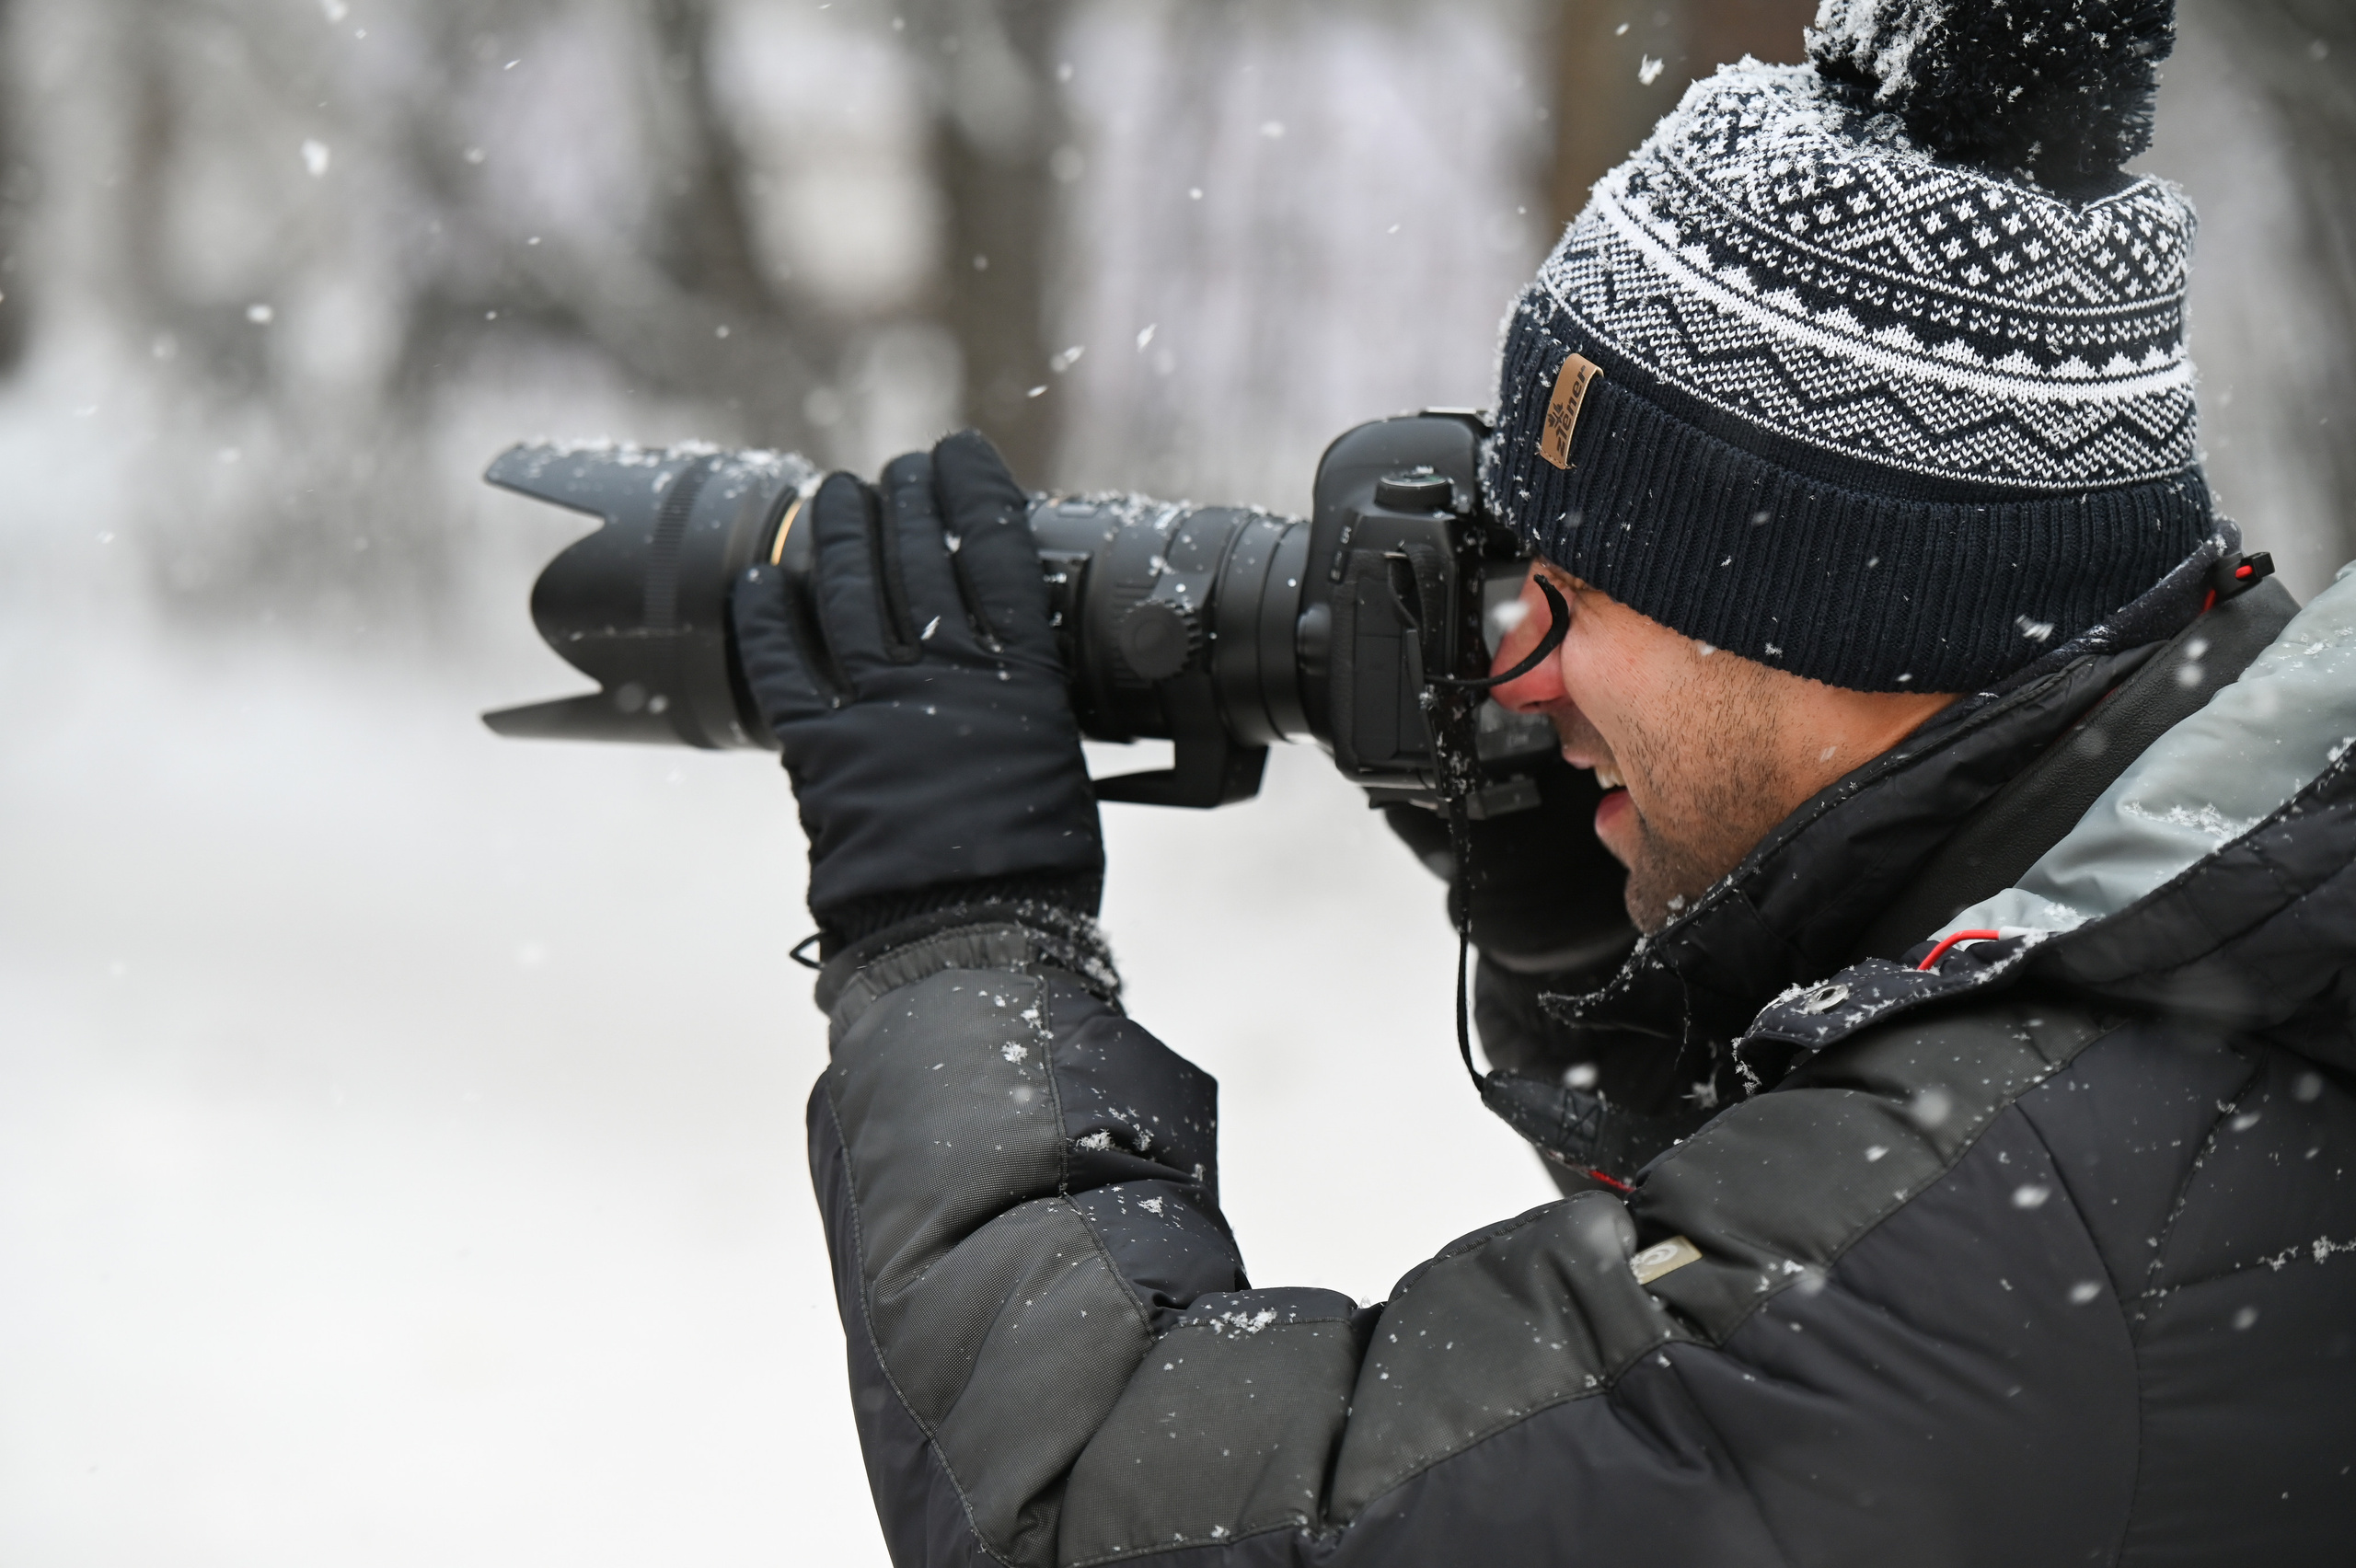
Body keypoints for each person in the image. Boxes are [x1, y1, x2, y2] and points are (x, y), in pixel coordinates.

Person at [731, 3, 2356, 1562]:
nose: (1518, 673)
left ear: (1830, 618)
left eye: (1571, 595)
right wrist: (1618, 977)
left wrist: (959, 928)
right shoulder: (2190, 990)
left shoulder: (2017, 1218)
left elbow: (1113, 1526)